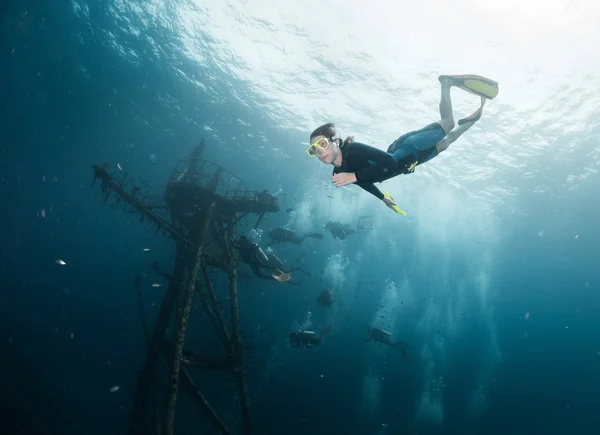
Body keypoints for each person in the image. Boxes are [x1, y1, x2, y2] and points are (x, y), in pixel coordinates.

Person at [306, 74, 498, 212]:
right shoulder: (338, 174)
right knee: (446, 143)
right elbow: (364, 182)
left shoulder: (353, 150)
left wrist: (354, 176)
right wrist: (383, 198)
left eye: (322, 144)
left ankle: (446, 83)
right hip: (412, 162)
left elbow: (388, 162)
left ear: (336, 141)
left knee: (448, 123)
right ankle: (472, 121)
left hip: (407, 147)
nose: (319, 152)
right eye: (313, 150)